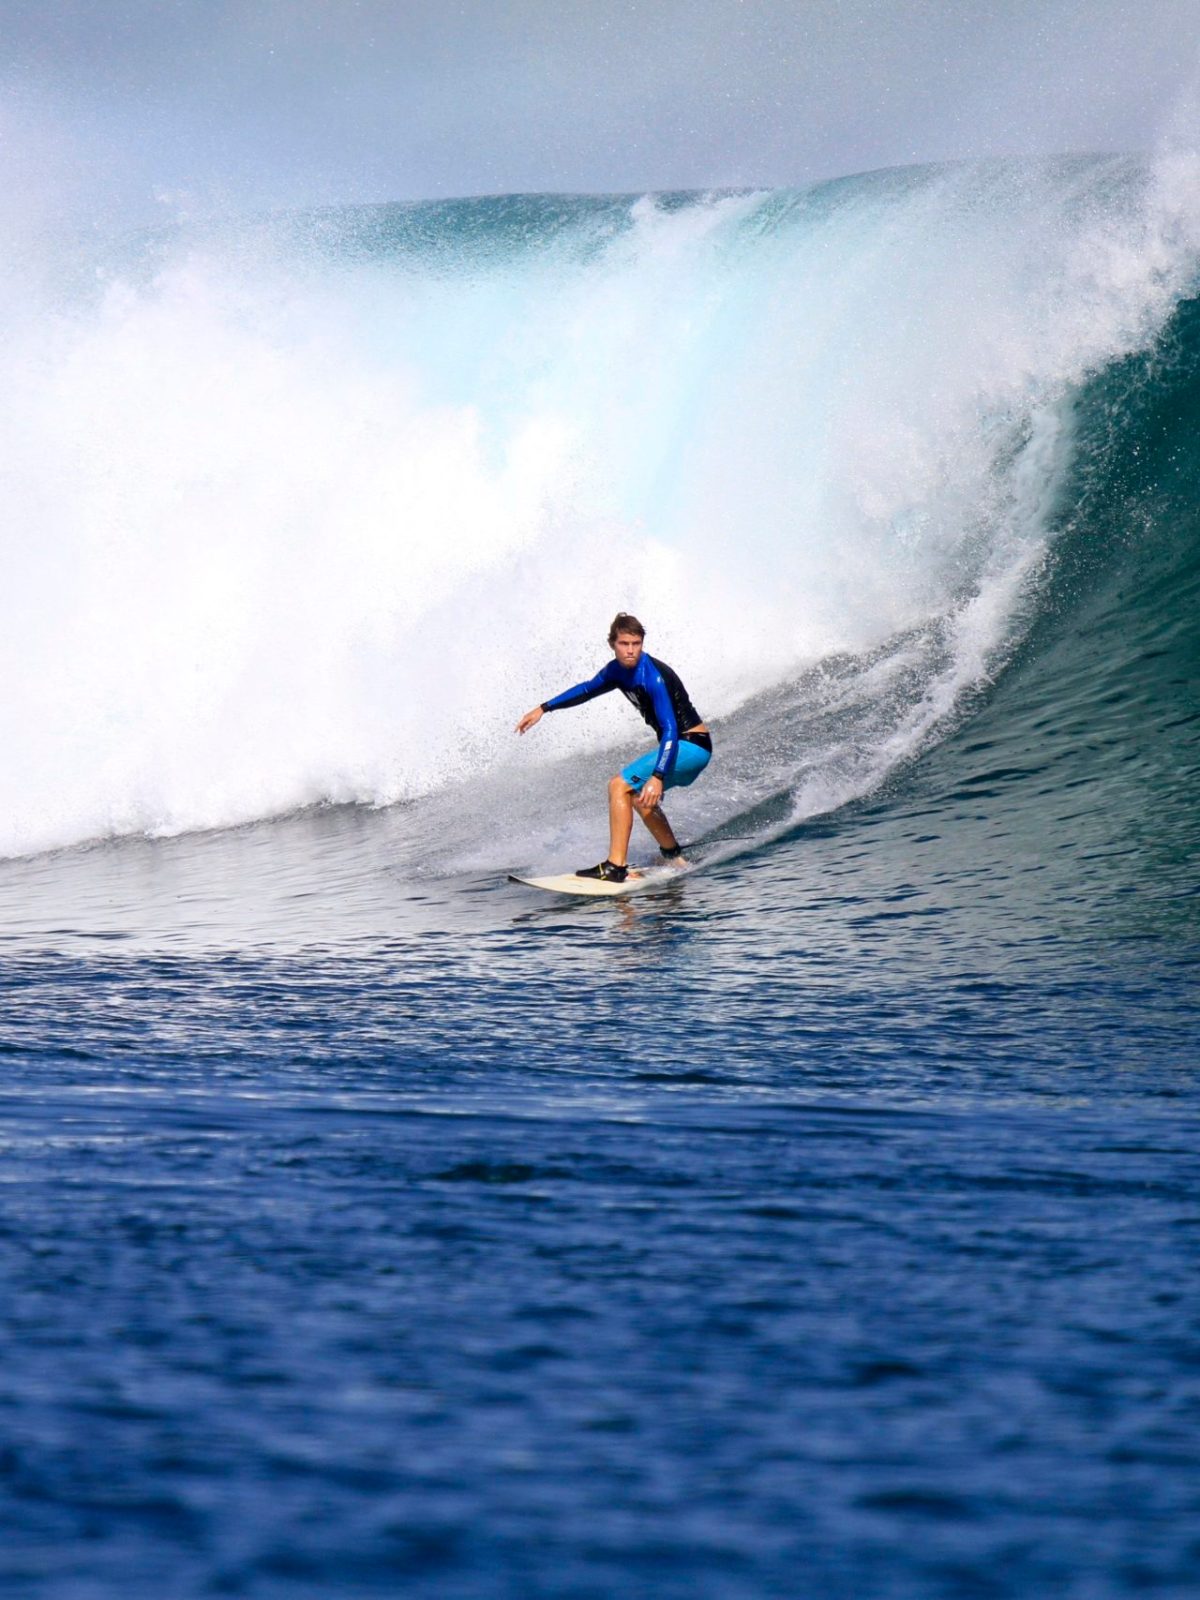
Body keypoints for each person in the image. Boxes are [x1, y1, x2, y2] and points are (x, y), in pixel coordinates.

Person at [515, 612, 712, 882]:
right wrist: (543, 708)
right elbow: (586, 689)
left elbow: (670, 729)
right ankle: (674, 857)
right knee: (637, 796)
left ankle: (615, 867)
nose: (630, 650)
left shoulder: (652, 676)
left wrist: (657, 776)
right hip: (685, 747)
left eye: (636, 643)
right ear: (613, 644)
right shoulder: (616, 671)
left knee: (618, 785)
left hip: (688, 745)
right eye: (624, 644)